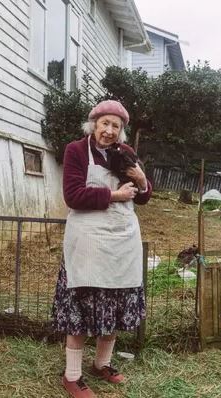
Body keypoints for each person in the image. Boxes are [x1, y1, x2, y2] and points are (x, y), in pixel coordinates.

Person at [52, 100, 152, 398]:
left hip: (122, 240)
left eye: (116, 126)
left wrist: (143, 182)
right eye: (104, 123)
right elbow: (73, 196)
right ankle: (72, 376)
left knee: (117, 302)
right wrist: (116, 194)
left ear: (122, 131)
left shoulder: (127, 153)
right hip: (89, 240)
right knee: (82, 307)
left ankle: (102, 363)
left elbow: (143, 196)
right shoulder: (76, 150)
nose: (109, 131)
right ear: (93, 123)